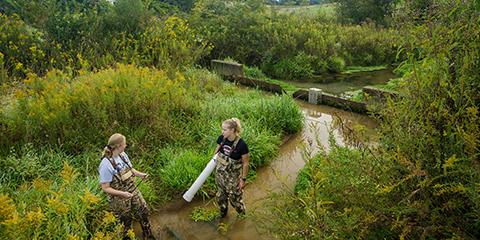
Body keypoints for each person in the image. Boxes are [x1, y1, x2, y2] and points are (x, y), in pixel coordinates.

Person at [98, 133, 155, 240]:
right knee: (125, 221)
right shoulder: (105, 165)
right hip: (118, 198)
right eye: (124, 144)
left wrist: (141, 174)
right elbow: (105, 188)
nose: (126, 145)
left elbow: (131, 170)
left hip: (133, 190)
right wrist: (123, 194)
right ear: (118, 146)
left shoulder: (123, 155)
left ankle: (148, 235)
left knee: (143, 211)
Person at [214, 118, 250, 218]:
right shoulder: (221, 138)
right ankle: (223, 216)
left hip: (233, 179)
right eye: (222, 129)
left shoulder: (242, 145)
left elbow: (246, 163)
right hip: (220, 175)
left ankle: (242, 218)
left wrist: (243, 180)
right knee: (221, 198)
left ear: (232, 130)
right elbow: (216, 153)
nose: (222, 132)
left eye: (225, 129)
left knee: (235, 201)